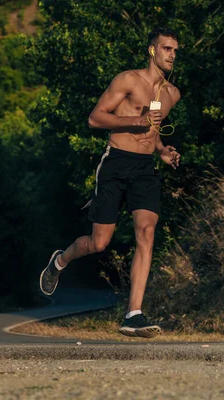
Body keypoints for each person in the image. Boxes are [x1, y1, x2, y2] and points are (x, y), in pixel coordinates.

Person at [39, 27, 181, 338]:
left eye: (175, 50)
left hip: (145, 169)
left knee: (146, 231)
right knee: (98, 243)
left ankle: (134, 314)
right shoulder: (128, 80)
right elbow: (95, 119)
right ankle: (60, 261)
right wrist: (136, 121)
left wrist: (163, 152)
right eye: (167, 48)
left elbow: (153, 134)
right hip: (116, 163)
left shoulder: (172, 94)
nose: (172, 55)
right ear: (152, 51)